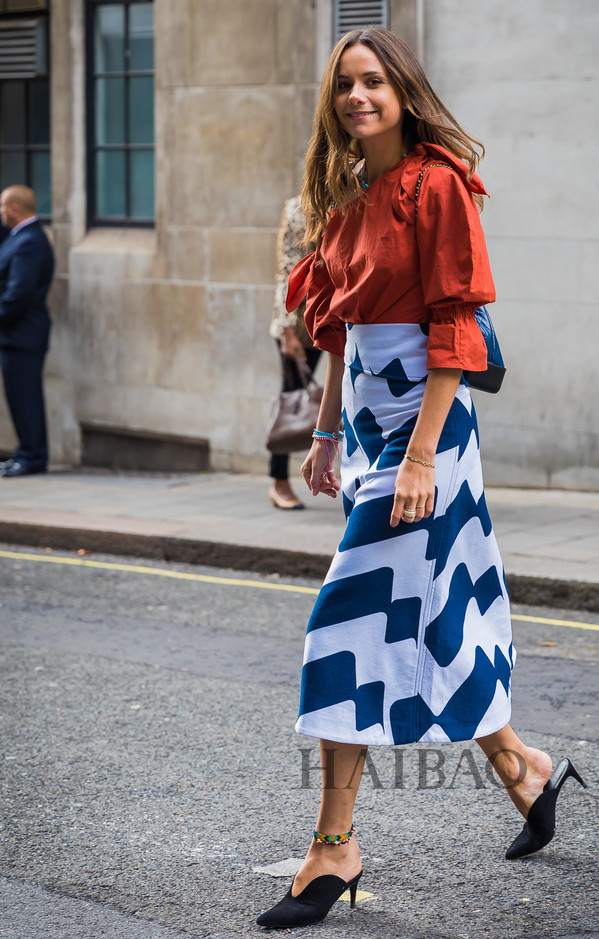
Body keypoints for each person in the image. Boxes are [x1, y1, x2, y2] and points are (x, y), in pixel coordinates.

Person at [256, 28, 586, 929]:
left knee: (345, 618)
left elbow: (455, 327)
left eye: (372, 82)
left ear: (403, 90)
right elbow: (339, 326)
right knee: (434, 611)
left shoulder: (435, 185)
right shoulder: (347, 191)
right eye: (344, 86)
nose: (357, 96)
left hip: (426, 433)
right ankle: (522, 768)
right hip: (369, 427)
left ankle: (333, 850)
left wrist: (415, 457)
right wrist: (326, 432)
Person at [268, 196, 321, 509]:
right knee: (291, 401)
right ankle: (279, 482)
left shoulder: (351, 199)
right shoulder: (298, 208)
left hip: (337, 320)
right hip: (300, 326)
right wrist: (287, 331)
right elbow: (287, 268)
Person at [0, 185, 54, 478]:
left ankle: (33, 457)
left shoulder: (29, 241)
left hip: (23, 334)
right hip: (15, 334)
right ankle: (25, 452)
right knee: (18, 397)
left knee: (26, 396)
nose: (1, 214)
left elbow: (17, 294)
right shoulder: (19, 237)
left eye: (2, 207)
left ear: (14, 209)